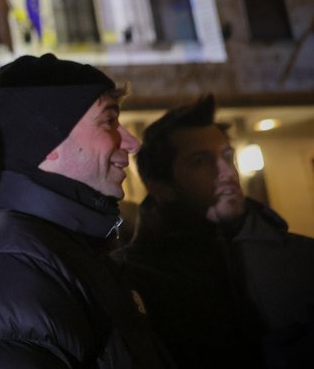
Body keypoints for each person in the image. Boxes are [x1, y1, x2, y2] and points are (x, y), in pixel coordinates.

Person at [0, 53, 172, 367]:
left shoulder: (62, 248)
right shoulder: (12, 274)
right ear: (47, 142)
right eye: (109, 121)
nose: (131, 142)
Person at [124, 94, 314, 369]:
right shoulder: (133, 279)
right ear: (160, 187)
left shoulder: (301, 258)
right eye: (201, 162)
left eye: (227, 156)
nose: (227, 172)